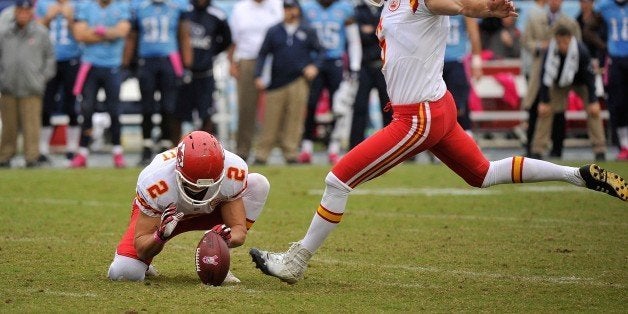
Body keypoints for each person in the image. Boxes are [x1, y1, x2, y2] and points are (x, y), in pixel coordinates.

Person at [248, 0, 628, 285]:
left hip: (418, 116)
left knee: (337, 180)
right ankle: (576, 175)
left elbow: (452, 4)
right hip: (434, 107)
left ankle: (295, 261)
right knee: (483, 173)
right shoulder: (392, 7)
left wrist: (483, 8)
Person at [107, 130, 270, 283]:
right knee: (125, 272)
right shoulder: (155, 181)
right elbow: (142, 247)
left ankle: (219, 259)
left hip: (211, 211)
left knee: (258, 184)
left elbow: (239, 231)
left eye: (208, 186)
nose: (200, 190)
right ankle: (144, 264)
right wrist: (159, 236)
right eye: (193, 185)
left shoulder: (233, 170)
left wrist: (225, 238)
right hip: (164, 216)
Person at [252, 0, 323, 165]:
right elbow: (263, 54)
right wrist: (258, 75)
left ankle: (290, 153)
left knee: (295, 118)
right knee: (270, 119)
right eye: (286, 8)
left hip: (298, 80)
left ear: (298, 10)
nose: (289, 11)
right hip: (276, 81)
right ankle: (262, 153)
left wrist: (314, 67)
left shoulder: (307, 30)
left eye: (292, 8)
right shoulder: (274, 30)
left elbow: (320, 51)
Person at [124, 0, 192, 166]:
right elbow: (132, 37)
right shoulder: (139, 7)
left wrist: (188, 63)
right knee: (147, 106)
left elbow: (183, 35)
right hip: (146, 61)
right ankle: (146, 148)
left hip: (170, 60)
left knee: (168, 106)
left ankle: (165, 148)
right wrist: (125, 63)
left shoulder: (177, 7)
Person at [297, 0, 362, 165]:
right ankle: (306, 147)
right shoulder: (308, 8)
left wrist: (354, 66)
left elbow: (353, 40)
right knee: (310, 104)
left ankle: (334, 148)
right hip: (314, 63)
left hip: (336, 62)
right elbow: (301, 37)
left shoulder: (344, 8)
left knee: (338, 107)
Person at [530, 25, 606, 161]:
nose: (562, 46)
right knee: (545, 110)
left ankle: (599, 148)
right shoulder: (550, 52)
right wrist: (544, 100)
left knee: (594, 111)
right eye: (559, 42)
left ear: (570, 39)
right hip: (559, 83)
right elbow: (544, 77)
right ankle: (538, 149)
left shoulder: (582, 51)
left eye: (565, 42)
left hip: (581, 82)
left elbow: (589, 78)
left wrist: (593, 101)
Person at [70, 0, 131, 168]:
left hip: (112, 65)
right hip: (90, 65)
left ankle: (117, 150)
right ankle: (83, 151)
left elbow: (123, 31)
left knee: (114, 109)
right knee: (87, 108)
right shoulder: (86, 6)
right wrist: (109, 33)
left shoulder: (121, 6)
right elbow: (80, 34)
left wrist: (96, 31)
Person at [521, 0, 581, 159]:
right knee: (535, 108)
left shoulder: (569, 22)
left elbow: (577, 46)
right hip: (539, 70)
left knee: (558, 111)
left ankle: (557, 149)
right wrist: (541, 46)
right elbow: (526, 41)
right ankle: (531, 148)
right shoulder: (534, 18)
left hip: (559, 72)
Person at [0, 0, 56, 168]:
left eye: (26, 11)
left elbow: (50, 59)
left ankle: (32, 157)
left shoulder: (41, 32)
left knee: (32, 126)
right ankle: (4, 156)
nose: (23, 14)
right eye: (20, 11)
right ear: (15, 12)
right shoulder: (4, 33)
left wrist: (41, 78)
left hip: (32, 87)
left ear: (31, 12)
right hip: (8, 86)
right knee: (8, 126)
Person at [228, 0, 283, 162]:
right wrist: (231, 62)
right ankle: (243, 150)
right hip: (248, 59)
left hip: (273, 60)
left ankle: (264, 151)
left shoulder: (277, 5)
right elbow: (234, 39)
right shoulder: (240, 8)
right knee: (246, 108)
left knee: (274, 107)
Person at [173, 0, 232, 141]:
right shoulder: (183, 12)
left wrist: (210, 53)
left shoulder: (218, 14)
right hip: (184, 73)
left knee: (206, 112)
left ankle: (205, 145)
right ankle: (176, 147)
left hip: (206, 73)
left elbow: (227, 40)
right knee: (178, 112)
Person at [36, 0, 82, 163]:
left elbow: (81, 33)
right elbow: (35, 29)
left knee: (71, 103)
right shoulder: (43, 4)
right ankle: (42, 147)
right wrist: (48, 17)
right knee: (46, 104)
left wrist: (70, 19)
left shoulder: (78, 5)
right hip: (49, 60)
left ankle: (72, 147)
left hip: (72, 60)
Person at [348, 2, 391, 150]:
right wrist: (374, 31)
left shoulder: (386, 8)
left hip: (383, 66)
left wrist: (370, 31)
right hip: (364, 66)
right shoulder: (358, 10)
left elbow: (386, 33)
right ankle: (355, 146)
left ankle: (391, 146)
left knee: (388, 107)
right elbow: (357, 35)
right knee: (359, 107)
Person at [596, 0, 628, 160]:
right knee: (619, 104)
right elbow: (588, 27)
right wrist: (603, 47)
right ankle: (624, 145)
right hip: (615, 60)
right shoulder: (604, 6)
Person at [444, 15, 482, 138]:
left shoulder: (462, 4)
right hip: (434, 61)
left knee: (458, 105)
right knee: (436, 105)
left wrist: (476, 60)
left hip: (457, 60)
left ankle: (466, 137)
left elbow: (473, 32)